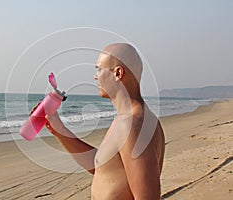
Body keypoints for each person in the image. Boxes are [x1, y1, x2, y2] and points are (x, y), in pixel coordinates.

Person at [33, 43, 165, 200]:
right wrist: (58, 129)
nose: (95, 76)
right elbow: (101, 165)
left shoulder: (132, 124)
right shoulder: (128, 119)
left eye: (99, 69)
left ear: (118, 73)